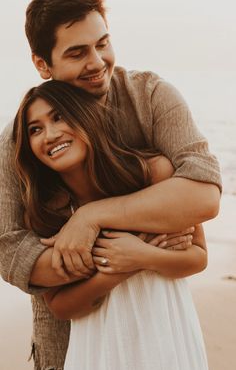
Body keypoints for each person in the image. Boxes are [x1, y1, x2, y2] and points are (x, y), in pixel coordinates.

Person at [0, 0, 221, 369]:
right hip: (70, 343)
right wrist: (129, 249)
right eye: (76, 52)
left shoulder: (150, 98)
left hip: (160, 330)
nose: (98, 61)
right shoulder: (19, 143)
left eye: (102, 43)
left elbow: (203, 196)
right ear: (42, 65)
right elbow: (11, 251)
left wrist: (92, 218)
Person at [13, 80, 209, 370]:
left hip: (166, 332)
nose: (50, 135)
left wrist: (142, 255)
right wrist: (121, 268)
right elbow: (60, 306)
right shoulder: (45, 212)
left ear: (83, 115)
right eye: (35, 129)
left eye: (58, 117)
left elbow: (198, 258)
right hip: (98, 346)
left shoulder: (151, 174)